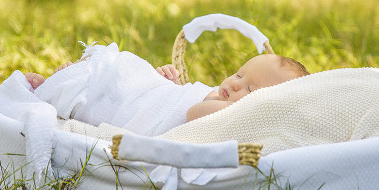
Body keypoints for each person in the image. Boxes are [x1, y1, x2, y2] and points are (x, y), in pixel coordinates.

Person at [24, 44, 308, 136]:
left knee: (104, 99)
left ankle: (61, 88)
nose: (234, 83)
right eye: (238, 73)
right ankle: (74, 77)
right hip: (149, 94)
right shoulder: (220, 97)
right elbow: (179, 101)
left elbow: (196, 113)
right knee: (125, 74)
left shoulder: (232, 118)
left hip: (135, 112)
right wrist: (167, 84)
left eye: (249, 88)